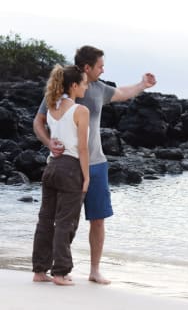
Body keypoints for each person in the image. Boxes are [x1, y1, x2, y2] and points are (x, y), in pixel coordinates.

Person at [33, 45, 157, 284]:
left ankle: (94, 270)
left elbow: (121, 93)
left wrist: (142, 85)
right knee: (61, 220)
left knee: (97, 218)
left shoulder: (99, 89)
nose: (103, 69)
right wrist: (49, 143)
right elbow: (38, 122)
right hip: (68, 164)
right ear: (87, 68)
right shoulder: (59, 93)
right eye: (100, 66)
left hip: (96, 163)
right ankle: (53, 270)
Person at [32, 64, 90, 286]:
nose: (86, 87)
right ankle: (60, 272)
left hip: (52, 166)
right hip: (70, 168)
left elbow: (43, 129)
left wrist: (49, 143)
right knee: (66, 222)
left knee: (45, 220)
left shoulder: (51, 105)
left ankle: (39, 270)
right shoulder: (80, 111)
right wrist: (86, 177)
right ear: (74, 85)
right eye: (84, 83)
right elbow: (82, 149)